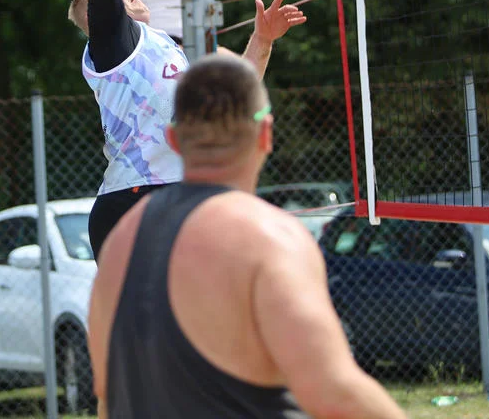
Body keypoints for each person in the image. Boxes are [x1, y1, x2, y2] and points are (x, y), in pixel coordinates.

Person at [87, 54, 409, 419]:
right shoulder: (269, 238)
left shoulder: (118, 244)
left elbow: (106, 399)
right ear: (266, 134)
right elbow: (333, 393)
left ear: (174, 139)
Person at [0, 0, 305, 260]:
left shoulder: (164, 45)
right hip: (135, 201)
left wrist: (262, 40)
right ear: (104, 13)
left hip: (177, 196)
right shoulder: (116, 43)